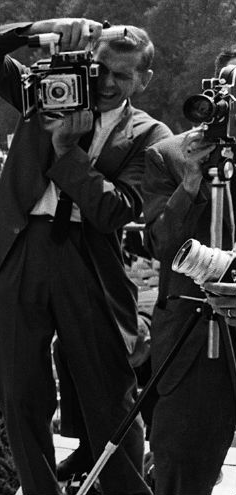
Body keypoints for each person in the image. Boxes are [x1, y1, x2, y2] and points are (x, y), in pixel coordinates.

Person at [0, 18, 170, 495]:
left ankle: (124, 488)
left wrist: (64, 150)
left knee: (109, 390)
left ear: (144, 80)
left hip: (89, 257)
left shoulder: (150, 135)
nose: (107, 82)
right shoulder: (46, 92)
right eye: (100, 69)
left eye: (122, 74)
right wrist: (39, 28)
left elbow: (114, 210)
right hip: (22, 248)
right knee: (19, 390)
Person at [139, 45, 236, 494]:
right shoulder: (170, 155)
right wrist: (192, 182)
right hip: (191, 343)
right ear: (215, 88)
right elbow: (161, 244)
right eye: (230, 83)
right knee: (179, 471)